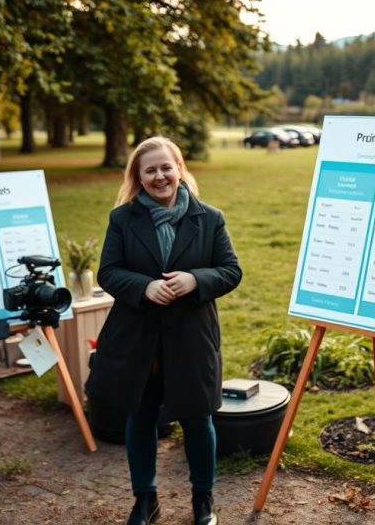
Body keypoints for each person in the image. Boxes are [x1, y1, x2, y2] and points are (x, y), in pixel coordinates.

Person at [86, 136, 242, 525]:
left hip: (191, 340)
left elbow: (230, 271)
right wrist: (143, 286)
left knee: (197, 419)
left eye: (166, 167)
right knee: (140, 418)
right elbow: (108, 272)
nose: (160, 176)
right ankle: (145, 499)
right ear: (138, 177)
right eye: (150, 170)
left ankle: (203, 501)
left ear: (179, 169)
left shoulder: (210, 218)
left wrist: (194, 280)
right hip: (139, 341)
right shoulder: (122, 218)